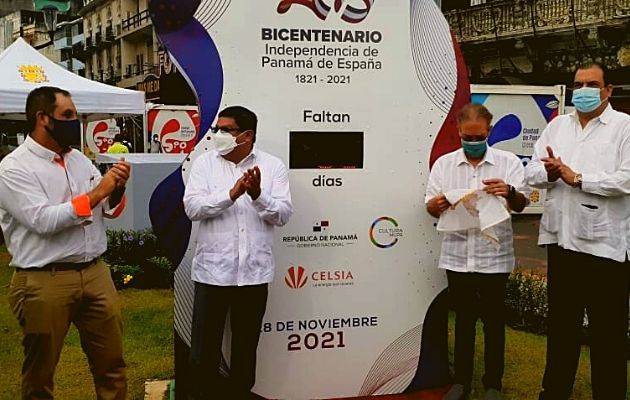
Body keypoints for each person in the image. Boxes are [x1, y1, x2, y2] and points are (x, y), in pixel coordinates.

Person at [0, 86, 131, 400]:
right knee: (40, 375)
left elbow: (106, 210)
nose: (76, 122)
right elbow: (43, 221)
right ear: (43, 118)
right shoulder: (14, 168)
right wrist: (99, 191)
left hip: (95, 273)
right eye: (68, 116)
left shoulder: (78, 161)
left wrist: (116, 188)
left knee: (112, 365)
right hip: (44, 279)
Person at [525, 63, 630, 400]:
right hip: (562, 242)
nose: (583, 90)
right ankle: (553, 392)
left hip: (605, 249)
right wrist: (551, 174)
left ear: (608, 90)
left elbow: (626, 179)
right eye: (578, 84)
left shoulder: (623, 127)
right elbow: (531, 173)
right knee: (561, 331)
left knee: (608, 335)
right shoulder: (558, 128)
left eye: (591, 84)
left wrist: (578, 178)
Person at [183, 106, 293, 399]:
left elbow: (282, 215)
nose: (218, 135)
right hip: (212, 273)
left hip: (254, 274)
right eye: (217, 129)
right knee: (204, 350)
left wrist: (258, 195)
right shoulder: (205, 164)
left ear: (246, 135)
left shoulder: (273, 167)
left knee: (245, 348)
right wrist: (230, 195)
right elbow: (192, 208)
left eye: (225, 129)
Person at [425, 103, 528, 400]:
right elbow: (430, 206)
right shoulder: (444, 164)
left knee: (494, 322)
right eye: (466, 137)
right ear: (458, 132)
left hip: (494, 256)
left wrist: (507, 191)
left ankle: (492, 383)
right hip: (457, 256)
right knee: (464, 321)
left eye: (478, 136)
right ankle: (461, 383)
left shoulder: (508, 162)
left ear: (490, 132)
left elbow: (520, 204)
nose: (472, 143)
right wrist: (440, 204)